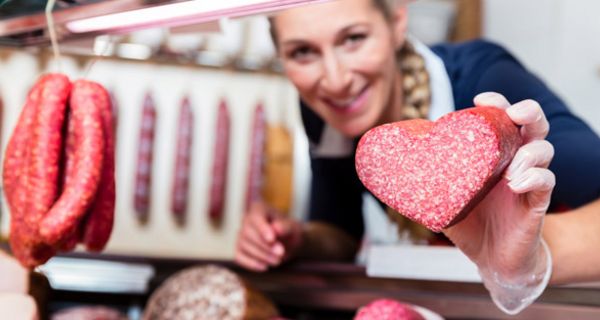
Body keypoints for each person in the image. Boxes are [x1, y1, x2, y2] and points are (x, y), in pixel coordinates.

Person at [234, 0, 600, 314]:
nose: (334, 79)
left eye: (353, 38)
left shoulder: (484, 80)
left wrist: (529, 257)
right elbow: (341, 231)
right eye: (303, 52)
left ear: (396, 23)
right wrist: (296, 237)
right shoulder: (322, 112)